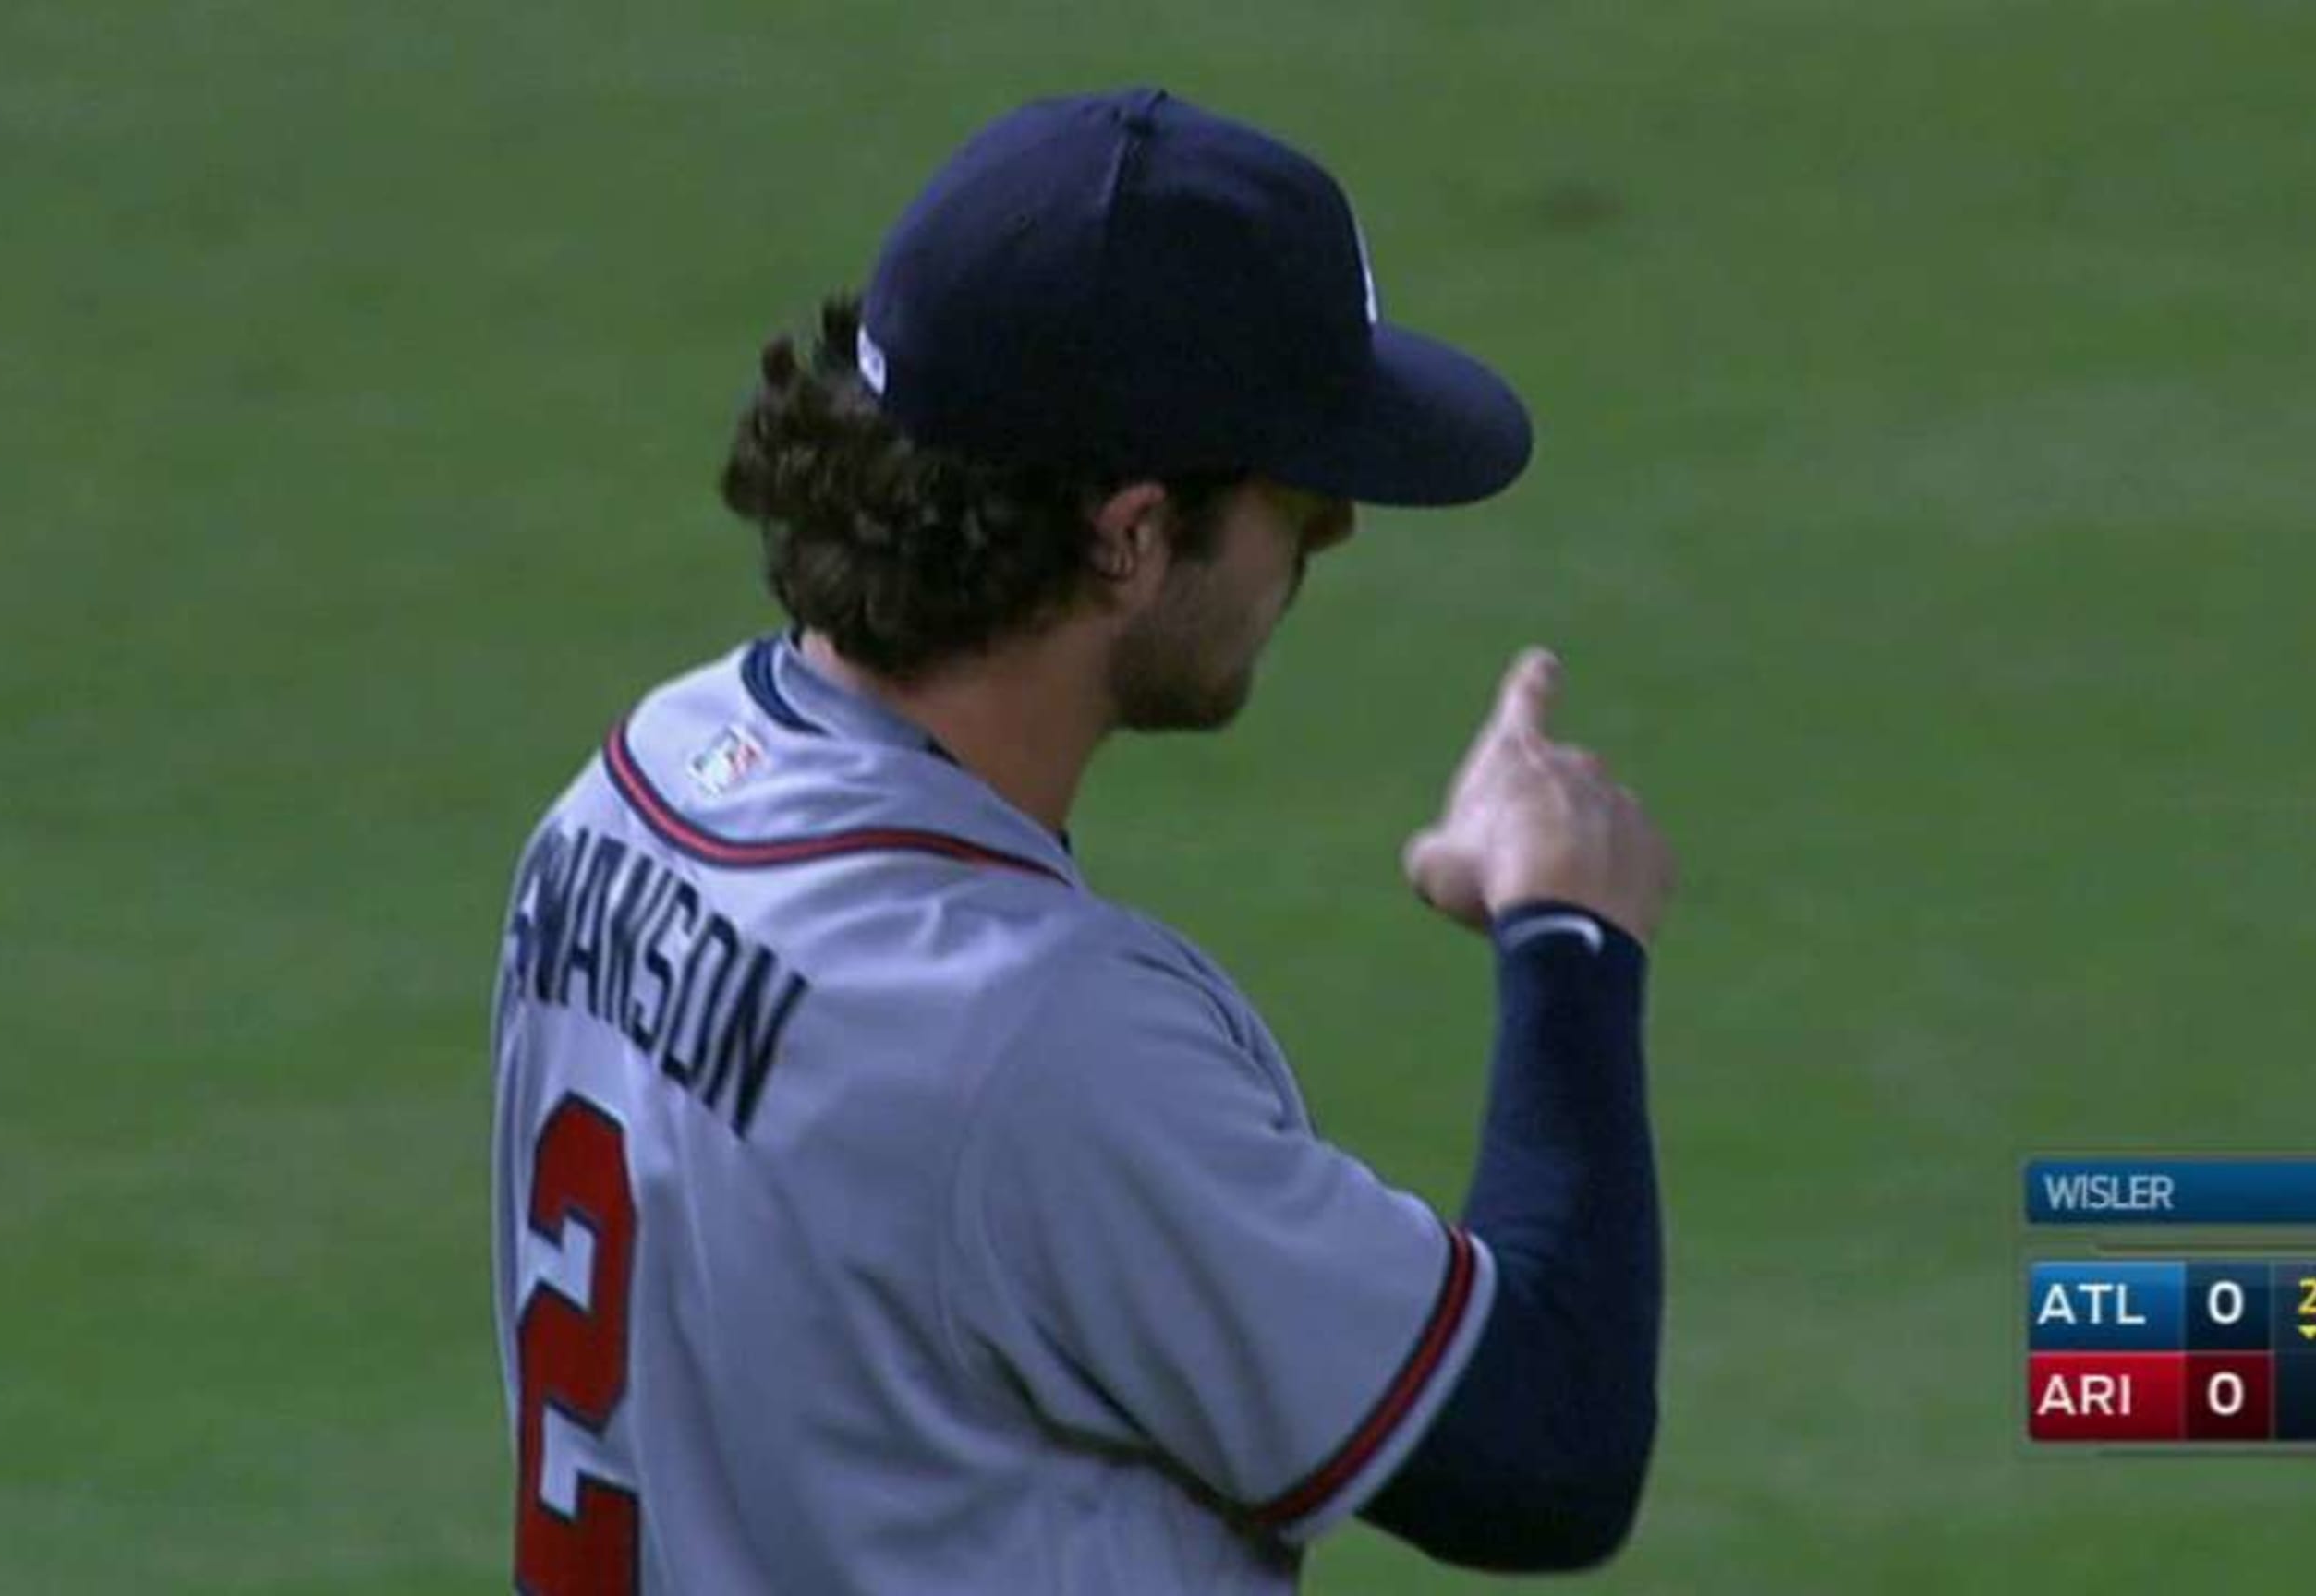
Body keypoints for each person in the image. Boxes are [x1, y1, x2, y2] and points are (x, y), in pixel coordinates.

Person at [491, 87, 1673, 1595]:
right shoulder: (1030, 1038)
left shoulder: (631, 792)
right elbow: (1545, 1448)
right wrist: (1569, 928)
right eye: (1293, 490)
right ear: (1127, 532)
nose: (1333, 534)